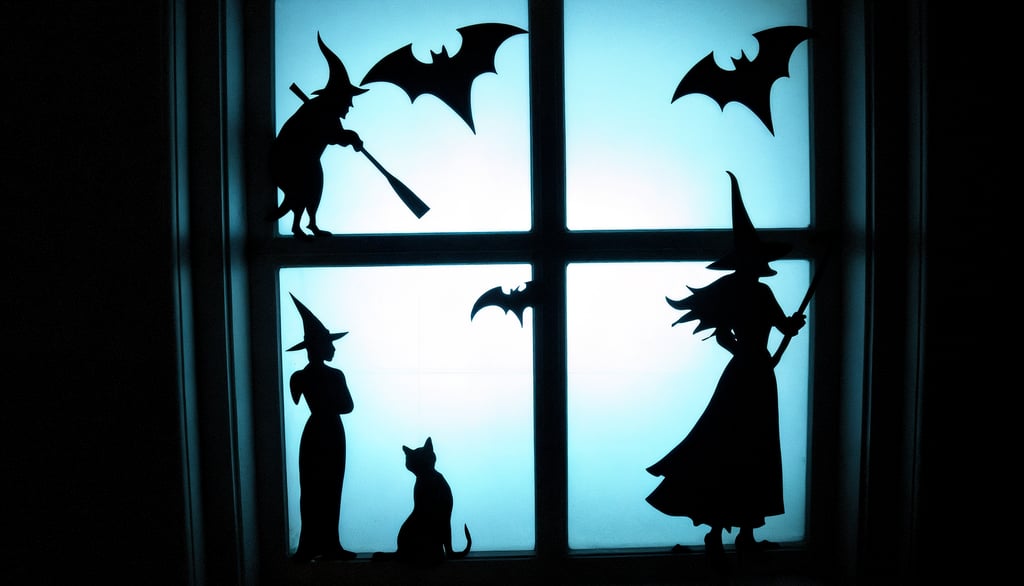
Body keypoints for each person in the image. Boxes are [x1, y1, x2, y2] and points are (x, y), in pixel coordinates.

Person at [646, 171, 806, 558]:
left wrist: (757, 346)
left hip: (748, 375)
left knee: (746, 445)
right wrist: (764, 346)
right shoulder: (755, 293)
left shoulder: (749, 292)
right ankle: (729, 533)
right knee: (738, 444)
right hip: (753, 375)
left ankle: (736, 533)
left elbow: (750, 332)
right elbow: (771, 328)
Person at [270, 33, 367, 239]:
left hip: (307, 161)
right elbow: (335, 136)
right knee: (305, 185)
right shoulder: (318, 110)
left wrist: (352, 139)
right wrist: (352, 138)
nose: (350, 105)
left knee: (313, 184)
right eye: (348, 99)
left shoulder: (327, 113)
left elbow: (338, 136)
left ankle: (311, 223)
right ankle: (298, 226)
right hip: (291, 161)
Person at [287, 294, 356, 562]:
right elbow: (347, 406)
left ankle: (313, 546)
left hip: (315, 431)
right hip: (331, 431)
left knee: (312, 489)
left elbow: (297, 399)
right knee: (328, 489)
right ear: (320, 347)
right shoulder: (335, 376)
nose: (333, 349)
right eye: (329, 344)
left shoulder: (299, 377)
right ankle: (327, 545)